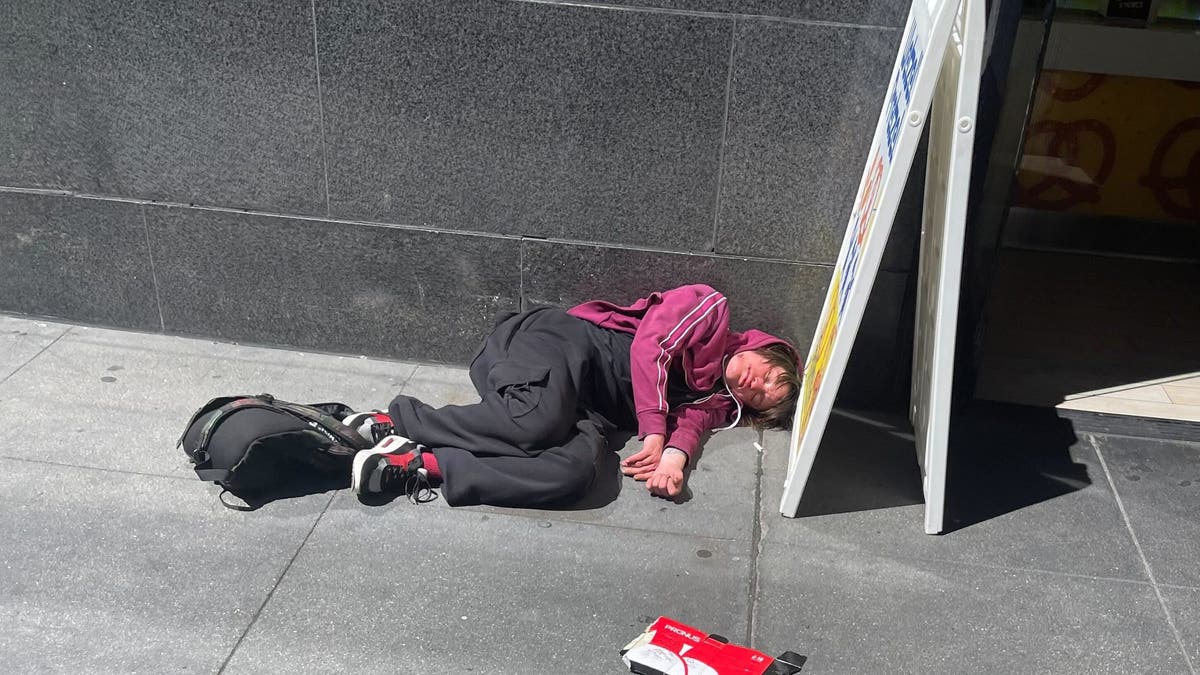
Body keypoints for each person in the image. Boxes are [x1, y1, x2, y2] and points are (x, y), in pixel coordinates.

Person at [344, 284, 802, 508]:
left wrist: (673, 461)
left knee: (575, 473)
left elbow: (696, 423)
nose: (754, 385)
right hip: (562, 344)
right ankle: (394, 420)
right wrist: (653, 431)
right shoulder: (709, 309)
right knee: (536, 422)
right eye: (769, 375)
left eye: (761, 397)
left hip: (588, 409)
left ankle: (418, 464)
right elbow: (651, 347)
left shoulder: (720, 400)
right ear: (766, 347)